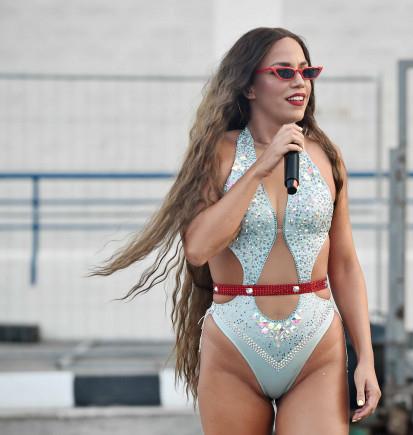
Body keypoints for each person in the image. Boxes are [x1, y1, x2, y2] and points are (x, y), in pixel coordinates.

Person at [88, 27, 380, 434]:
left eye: (306, 71)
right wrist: (261, 165)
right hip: (236, 347)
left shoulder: (326, 156)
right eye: (284, 72)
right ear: (249, 87)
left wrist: (366, 357)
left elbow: (345, 265)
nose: (300, 82)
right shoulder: (218, 153)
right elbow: (198, 247)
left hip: (316, 346)